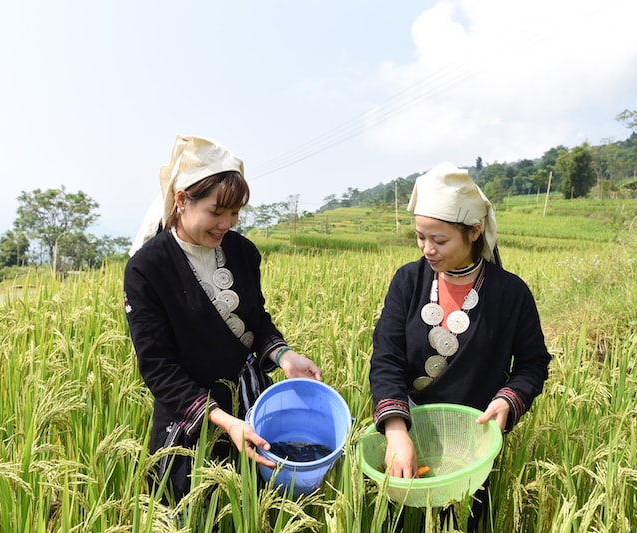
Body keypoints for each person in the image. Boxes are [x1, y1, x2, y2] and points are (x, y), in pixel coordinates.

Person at [123, 134, 323, 503]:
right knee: (194, 508)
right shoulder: (148, 268)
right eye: (217, 212)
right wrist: (224, 421)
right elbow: (157, 366)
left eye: (234, 213)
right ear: (182, 200)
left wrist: (284, 357)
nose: (226, 223)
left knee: (257, 502)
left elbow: (255, 319)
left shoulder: (242, 251)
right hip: (190, 416)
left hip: (251, 402)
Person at [368, 162, 551, 531]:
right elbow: (386, 358)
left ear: (474, 232)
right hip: (409, 433)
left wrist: (509, 399)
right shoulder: (408, 281)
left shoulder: (510, 293)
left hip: (472, 446)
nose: (427, 249)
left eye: (439, 240)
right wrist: (396, 430)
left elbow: (533, 363)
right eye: (420, 237)